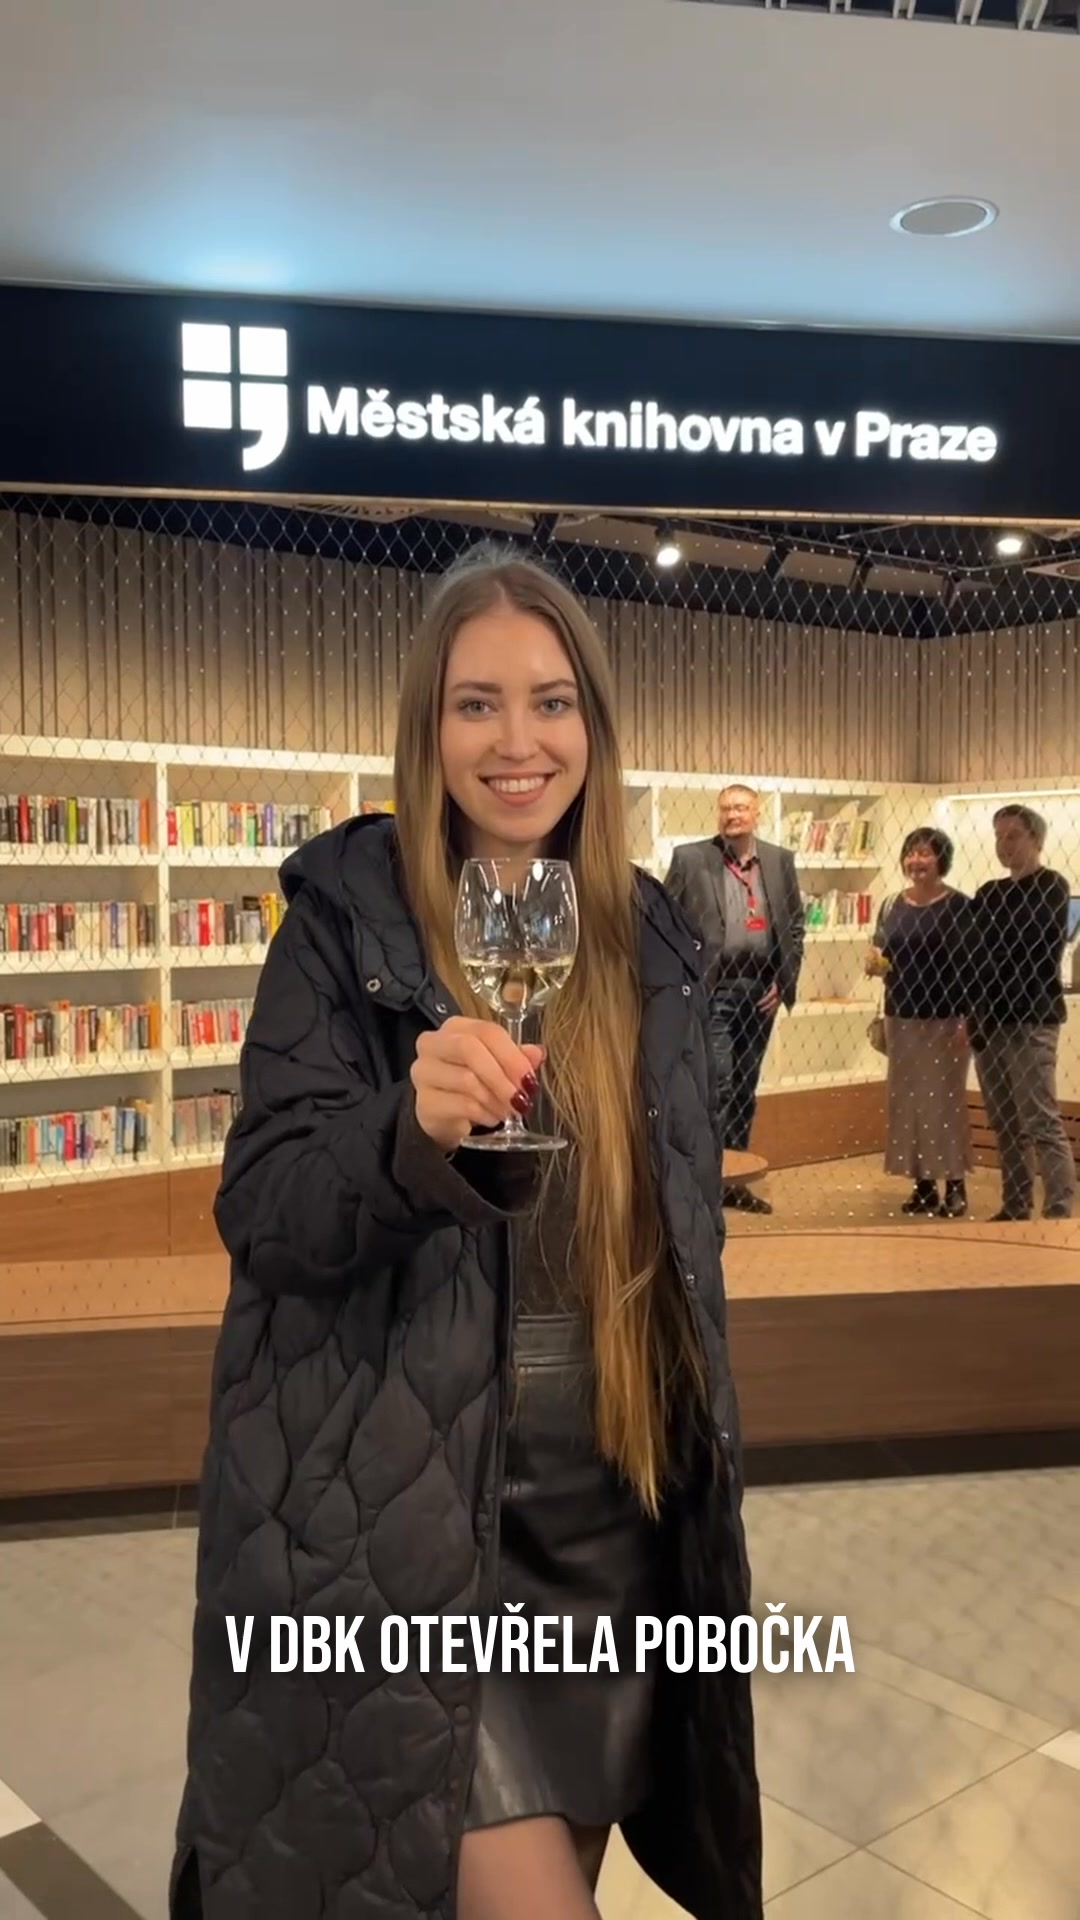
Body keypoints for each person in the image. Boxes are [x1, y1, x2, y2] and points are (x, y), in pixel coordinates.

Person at [169, 546, 763, 1920]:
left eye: (551, 702)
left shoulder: (649, 937)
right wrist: (406, 1136)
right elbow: (265, 1208)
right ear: (426, 729)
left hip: (613, 1520)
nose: (516, 742)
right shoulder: (342, 925)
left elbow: (677, 1243)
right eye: (475, 703)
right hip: (418, 1539)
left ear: (592, 725)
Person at [663, 785, 804, 1214]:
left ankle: (735, 1181)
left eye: (741, 807)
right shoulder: (691, 859)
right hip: (713, 991)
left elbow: (794, 925)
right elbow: (665, 920)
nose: (732, 815)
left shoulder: (779, 861)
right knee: (718, 1085)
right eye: (725, 808)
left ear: (757, 813)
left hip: (761, 993)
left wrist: (785, 978)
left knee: (745, 1088)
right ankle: (710, 1179)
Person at [968, 804, 1075, 1221]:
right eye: (998, 836)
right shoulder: (989, 893)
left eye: (1013, 835)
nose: (1004, 845)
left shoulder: (1052, 886)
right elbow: (973, 952)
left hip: (1031, 1019)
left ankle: (1058, 1211)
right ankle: (1015, 1207)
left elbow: (1026, 942)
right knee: (1005, 1122)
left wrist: (989, 953)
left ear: (1037, 840)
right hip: (989, 1022)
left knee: (1040, 1121)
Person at [865, 828, 974, 1218]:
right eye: (911, 853)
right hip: (901, 1016)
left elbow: (973, 968)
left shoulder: (960, 907)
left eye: (925, 853)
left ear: (941, 859)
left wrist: (969, 1020)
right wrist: (875, 962)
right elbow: (880, 947)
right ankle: (923, 1185)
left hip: (947, 1020)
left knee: (945, 1104)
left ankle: (955, 1184)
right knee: (908, 1103)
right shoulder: (892, 904)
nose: (916, 861)